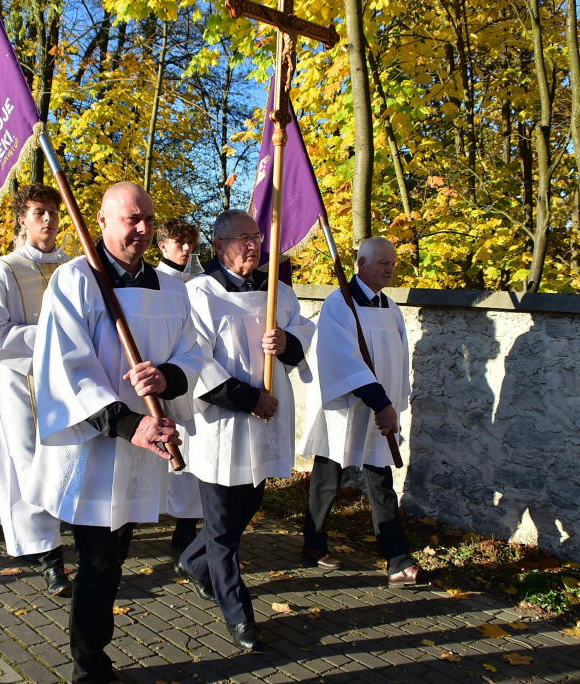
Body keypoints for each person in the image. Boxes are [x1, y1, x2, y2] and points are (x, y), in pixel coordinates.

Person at [30, 181, 203, 683]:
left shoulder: (172, 287)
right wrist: (128, 423)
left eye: (148, 218)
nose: (144, 229)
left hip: (150, 441)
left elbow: (193, 352)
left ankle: (93, 652)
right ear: (102, 221)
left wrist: (167, 376)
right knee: (99, 559)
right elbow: (67, 367)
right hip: (100, 442)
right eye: (132, 219)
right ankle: (90, 663)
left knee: (119, 551)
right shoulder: (75, 279)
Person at [179, 209, 314, 652]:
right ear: (218, 247)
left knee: (251, 498)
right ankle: (239, 616)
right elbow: (195, 359)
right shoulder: (198, 293)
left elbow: (303, 336)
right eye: (242, 238)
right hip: (222, 420)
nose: (253, 245)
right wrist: (247, 398)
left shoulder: (277, 290)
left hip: (267, 418)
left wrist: (287, 342)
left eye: (257, 237)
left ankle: (193, 562)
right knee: (221, 526)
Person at [298, 237, 421, 584]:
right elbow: (344, 359)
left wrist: (394, 400)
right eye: (382, 262)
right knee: (327, 476)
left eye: (393, 263)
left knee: (381, 481)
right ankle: (314, 542)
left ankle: (396, 557)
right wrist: (378, 401)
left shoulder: (391, 307)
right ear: (360, 264)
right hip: (348, 406)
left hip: (382, 408)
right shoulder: (340, 304)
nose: (389, 268)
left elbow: (400, 357)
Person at [0, 184, 71, 591]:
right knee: (30, 463)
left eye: (52, 211)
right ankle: (47, 553)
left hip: (68, 385)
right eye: (38, 212)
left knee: (69, 461)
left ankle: (71, 534)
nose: (47, 219)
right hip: (22, 385)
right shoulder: (4, 270)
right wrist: (50, 340)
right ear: (22, 219)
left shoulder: (74, 267)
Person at [153, 218, 204, 552]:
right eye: (179, 242)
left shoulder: (201, 283)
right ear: (162, 246)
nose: (186, 249)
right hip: (162, 379)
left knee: (194, 459)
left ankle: (185, 531)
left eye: (191, 243)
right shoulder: (154, 284)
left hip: (195, 380)